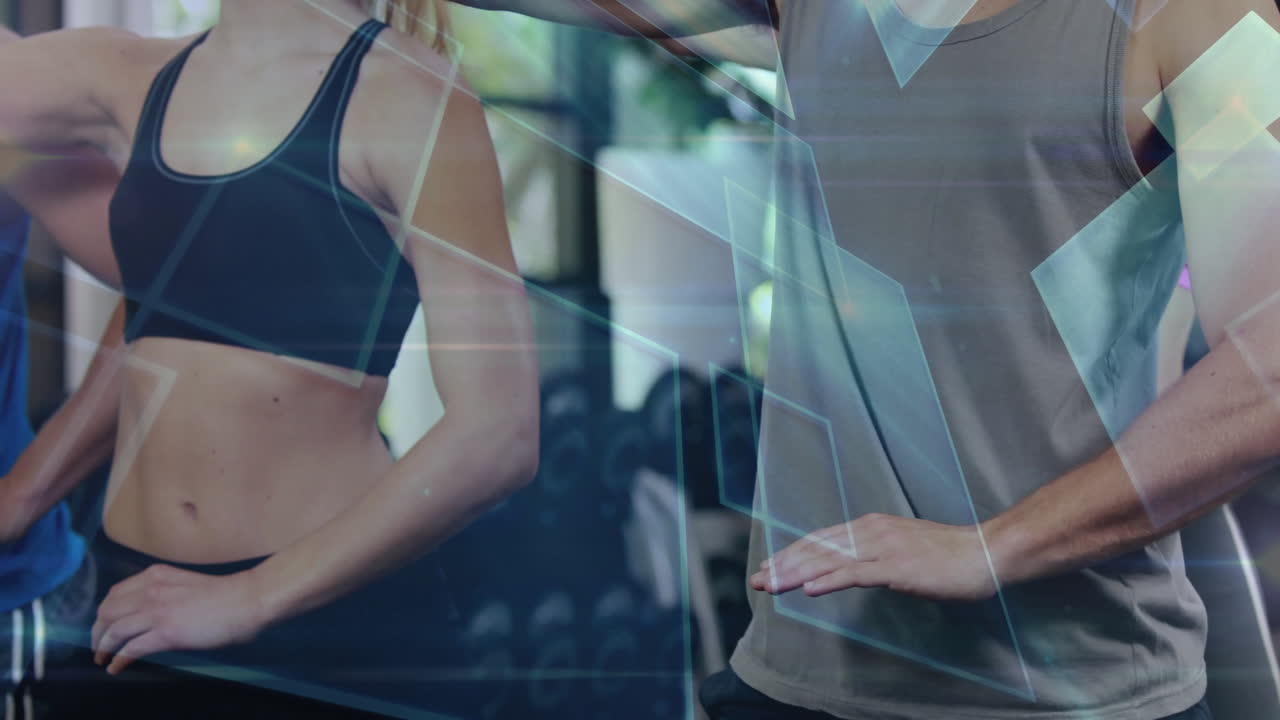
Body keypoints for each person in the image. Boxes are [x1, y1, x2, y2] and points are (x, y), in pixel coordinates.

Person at [444, 1, 1280, 719]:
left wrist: (993, 547)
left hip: (1072, 693)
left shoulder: (1199, 18)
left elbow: (1269, 373)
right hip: (792, 680)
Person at [0, 0, 539, 716]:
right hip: (130, 605)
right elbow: (154, 320)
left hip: (320, 626)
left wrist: (252, 598)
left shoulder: (410, 97)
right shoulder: (127, 73)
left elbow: (499, 433)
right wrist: (22, 494)